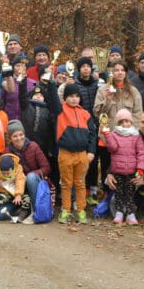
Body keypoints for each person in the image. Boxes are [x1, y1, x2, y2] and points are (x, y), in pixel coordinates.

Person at [94, 61, 143, 191]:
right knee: (107, 166)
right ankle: (106, 194)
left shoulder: (133, 92)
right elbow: (97, 113)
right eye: (116, 70)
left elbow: (138, 114)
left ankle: (124, 195)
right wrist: (108, 100)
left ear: (126, 73)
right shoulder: (102, 90)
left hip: (128, 140)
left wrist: (133, 133)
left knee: (124, 167)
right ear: (112, 72)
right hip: (107, 138)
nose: (119, 72)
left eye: (122, 70)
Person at [55, 83, 96, 224]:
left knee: (80, 183)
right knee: (66, 183)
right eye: (71, 96)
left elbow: (92, 134)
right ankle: (65, 210)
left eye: (77, 96)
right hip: (65, 153)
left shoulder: (85, 113)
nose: (74, 99)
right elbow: (51, 99)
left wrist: (91, 151)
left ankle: (81, 210)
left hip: (82, 155)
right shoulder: (60, 110)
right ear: (65, 97)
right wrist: (50, 83)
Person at [103, 109, 144, 225]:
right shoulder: (114, 134)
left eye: (127, 121)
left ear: (131, 122)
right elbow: (112, 148)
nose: (124, 124)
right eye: (121, 122)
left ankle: (131, 213)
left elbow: (141, 153)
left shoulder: (136, 135)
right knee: (119, 193)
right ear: (118, 123)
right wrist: (107, 135)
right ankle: (119, 212)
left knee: (130, 193)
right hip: (118, 170)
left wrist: (140, 168)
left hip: (132, 171)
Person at [5, 120, 50, 217]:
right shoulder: (7, 152)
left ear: (24, 134)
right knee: (1, 215)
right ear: (10, 138)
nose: (19, 138)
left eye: (21, 134)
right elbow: (5, 175)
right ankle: (22, 207)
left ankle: (35, 212)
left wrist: (28, 176)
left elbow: (46, 167)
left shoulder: (33, 146)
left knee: (31, 177)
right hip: (18, 187)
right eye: (15, 136)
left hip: (34, 182)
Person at [74, 56, 101, 203]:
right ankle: (81, 188)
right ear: (79, 69)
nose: (86, 69)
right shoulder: (75, 85)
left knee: (94, 157)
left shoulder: (97, 84)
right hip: (81, 125)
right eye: (83, 66)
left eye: (88, 66)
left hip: (97, 124)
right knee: (82, 158)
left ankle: (94, 188)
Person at [0, 154, 31, 225]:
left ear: (12, 169)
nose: (6, 175)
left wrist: (18, 194)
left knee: (27, 199)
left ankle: (23, 214)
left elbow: (20, 182)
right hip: (4, 192)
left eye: (8, 173)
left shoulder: (18, 169)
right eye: (4, 174)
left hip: (17, 192)